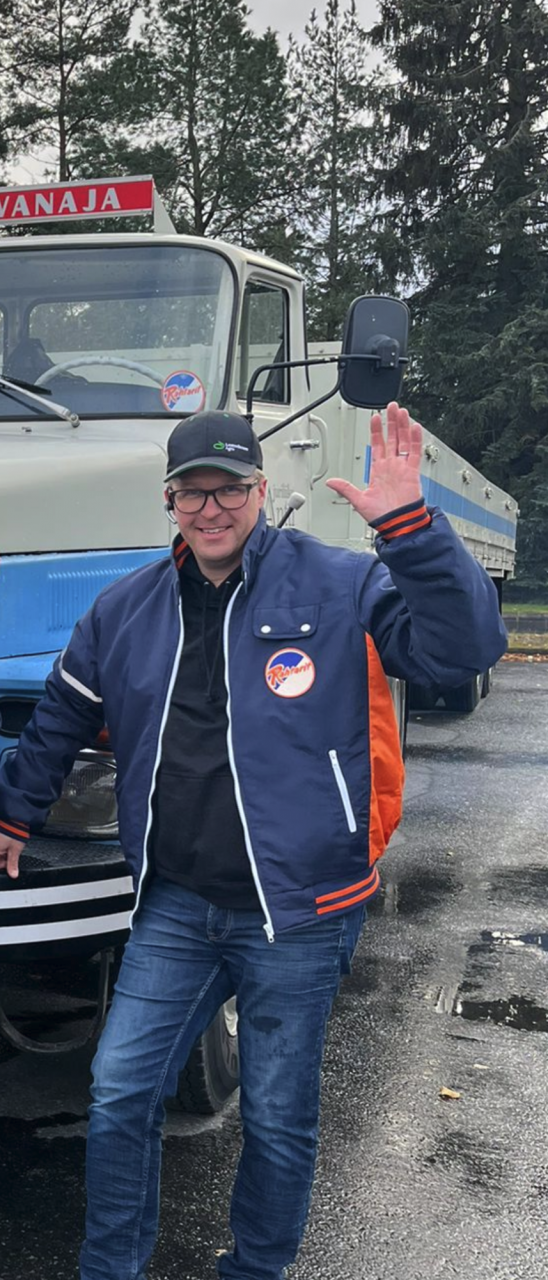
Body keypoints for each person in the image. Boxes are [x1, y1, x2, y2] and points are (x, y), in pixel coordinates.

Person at [0, 403, 506, 1280]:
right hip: (177, 905)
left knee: (276, 1116)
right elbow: (60, 718)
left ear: (261, 491)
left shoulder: (339, 582)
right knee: (120, 1092)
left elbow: (462, 651)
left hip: (301, 910)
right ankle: (109, 1268)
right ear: (168, 501)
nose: (212, 509)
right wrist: (14, 815)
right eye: (193, 492)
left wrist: (411, 530)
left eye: (229, 489)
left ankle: (256, 1270)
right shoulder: (125, 609)